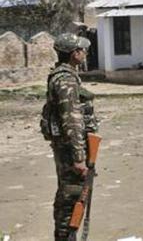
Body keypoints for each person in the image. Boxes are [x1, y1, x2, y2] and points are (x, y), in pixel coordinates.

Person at [42, 33, 95, 240]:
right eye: (82, 50)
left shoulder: (64, 75)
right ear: (74, 54)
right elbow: (71, 120)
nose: (85, 53)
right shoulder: (65, 80)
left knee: (69, 195)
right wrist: (79, 158)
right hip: (70, 152)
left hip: (66, 149)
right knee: (72, 197)